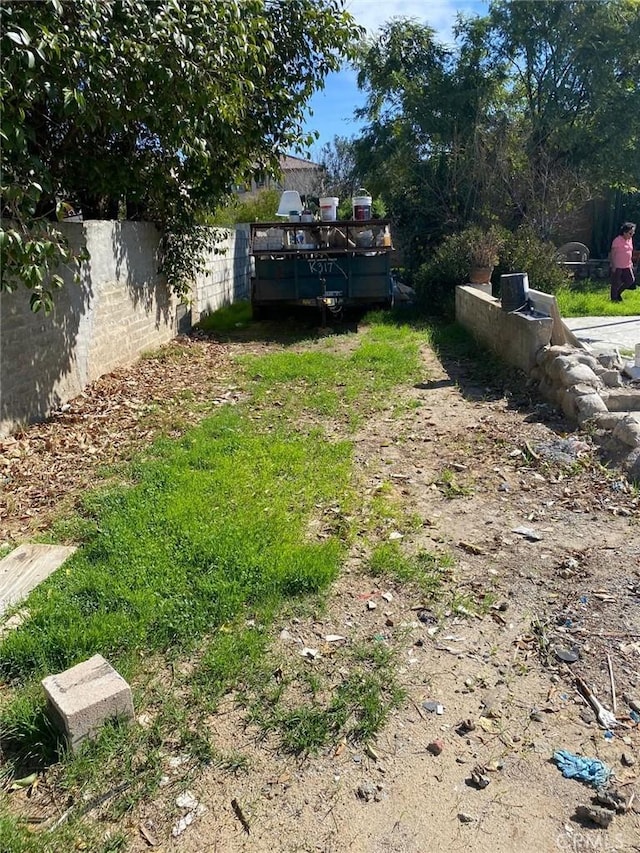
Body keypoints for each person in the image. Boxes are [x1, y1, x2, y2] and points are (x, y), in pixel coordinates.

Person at [610, 221, 636, 302]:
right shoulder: (617, 240)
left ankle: (618, 293)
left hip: (627, 265)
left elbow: (630, 252)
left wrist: (631, 262)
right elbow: (612, 253)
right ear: (624, 232)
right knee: (615, 283)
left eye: (632, 233)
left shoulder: (630, 240)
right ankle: (614, 298)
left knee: (630, 280)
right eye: (630, 233)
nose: (631, 235)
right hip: (618, 265)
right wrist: (613, 265)